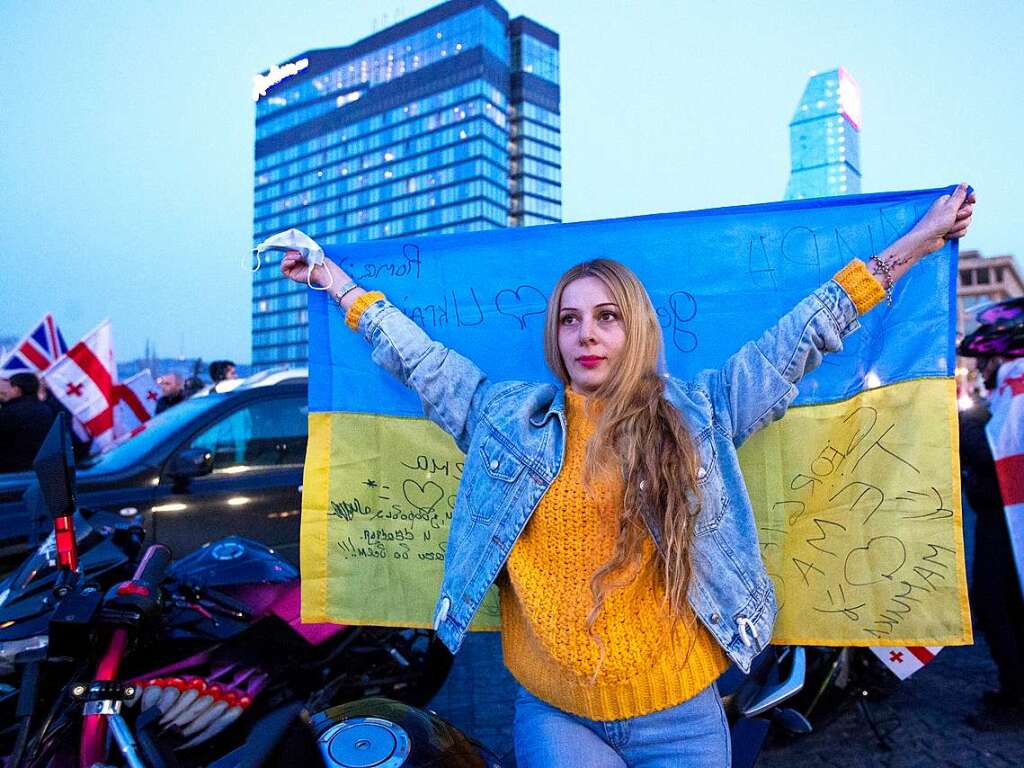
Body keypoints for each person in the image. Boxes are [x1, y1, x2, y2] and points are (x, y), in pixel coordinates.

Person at [281, 186, 975, 766]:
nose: (587, 334)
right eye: (570, 319)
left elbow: (802, 337)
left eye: (606, 317)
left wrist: (917, 241)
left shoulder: (698, 413)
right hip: (558, 716)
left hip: (683, 717)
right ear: (553, 337)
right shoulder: (506, 418)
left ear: (634, 328)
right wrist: (334, 282)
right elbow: (419, 361)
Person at [959, 355, 1024, 730]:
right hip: (997, 516)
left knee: (994, 601)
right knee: (1006, 604)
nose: (980, 369)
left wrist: (965, 422)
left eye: (985, 361)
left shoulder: (1011, 397)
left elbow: (991, 451)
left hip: (1005, 519)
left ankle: (1016, 693)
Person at [0, 372, 57, 472]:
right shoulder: (46, 408)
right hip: (41, 467)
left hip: (12, 470)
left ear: (17, 390)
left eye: (10, 387)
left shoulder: (10, 412)